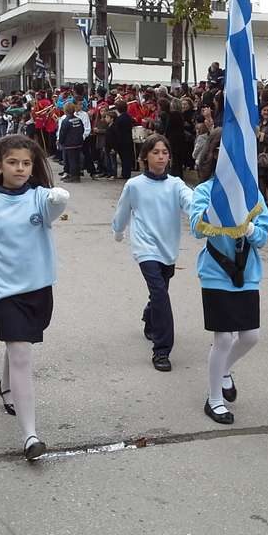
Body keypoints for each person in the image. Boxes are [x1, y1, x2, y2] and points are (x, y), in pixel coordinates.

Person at [0, 135, 69, 460]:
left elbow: (56, 206)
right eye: (13, 162)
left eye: (26, 163)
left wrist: (59, 198)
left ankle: (5, 386)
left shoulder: (40, 198)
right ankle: (30, 435)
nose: (20, 168)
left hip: (40, 289)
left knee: (20, 346)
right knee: (20, 355)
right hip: (5, 292)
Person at [189, 130, 268, 425]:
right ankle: (214, 399)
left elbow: (262, 236)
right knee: (223, 338)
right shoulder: (205, 190)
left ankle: (224, 369)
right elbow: (197, 228)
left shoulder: (252, 194)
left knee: (250, 336)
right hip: (216, 272)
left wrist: (249, 228)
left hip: (247, 272)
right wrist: (219, 207)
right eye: (224, 152)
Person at [111, 135, 193, 372]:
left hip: (168, 247)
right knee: (160, 294)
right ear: (145, 156)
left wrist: (203, 213)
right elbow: (123, 210)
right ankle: (162, 350)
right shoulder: (134, 185)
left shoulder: (176, 184)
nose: (160, 157)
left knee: (160, 291)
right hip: (144, 247)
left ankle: (149, 317)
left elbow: (191, 203)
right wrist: (118, 230)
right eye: (155, 152)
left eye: (164, 152)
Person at [58, 103, 85, 183]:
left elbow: (62, 133)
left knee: (71, 161)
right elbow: (82, 130)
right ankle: (76, 175)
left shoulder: (65, 121)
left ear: (65, 110)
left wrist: (60, 142)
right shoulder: (78, 119)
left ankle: (74, 177)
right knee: (76, 160)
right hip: (78, 143)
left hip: (69, 144)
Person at [113, 99, 136, 179]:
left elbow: (117, 131)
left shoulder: (119, 119)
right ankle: (127, 173)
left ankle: (124, 174)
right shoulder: (129, 117)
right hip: (129, 139)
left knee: (123, 158)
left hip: (121, 141)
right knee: (127, 157)